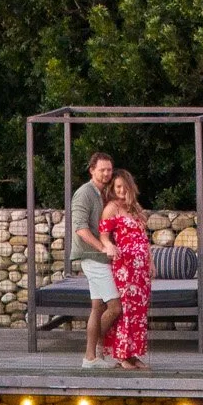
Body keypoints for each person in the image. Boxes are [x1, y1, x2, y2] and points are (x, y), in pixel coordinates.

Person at [70, 149, 120, 370]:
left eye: (109, 169)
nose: (106, 173)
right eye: (102, 170)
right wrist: (103, 247)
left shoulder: (104, 193)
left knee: (97, 308)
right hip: (93, 258)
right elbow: (80, 228)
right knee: (115, 307)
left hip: (100, 258)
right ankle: (95, 348)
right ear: (92, 170)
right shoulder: (84, 193)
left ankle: (90, 358)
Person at [101, 169, 151, 368]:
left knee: (140, 311)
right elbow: (104, 234)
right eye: (117, 187)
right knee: (127, 310)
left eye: (124, 186)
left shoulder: (135, 208)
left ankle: (134, 354)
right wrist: (109, 245)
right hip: (125, 267)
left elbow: (144, 238)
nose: (121, 190)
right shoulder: (112, 208)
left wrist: (151, 262)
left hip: (142, 269)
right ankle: (121, 355)